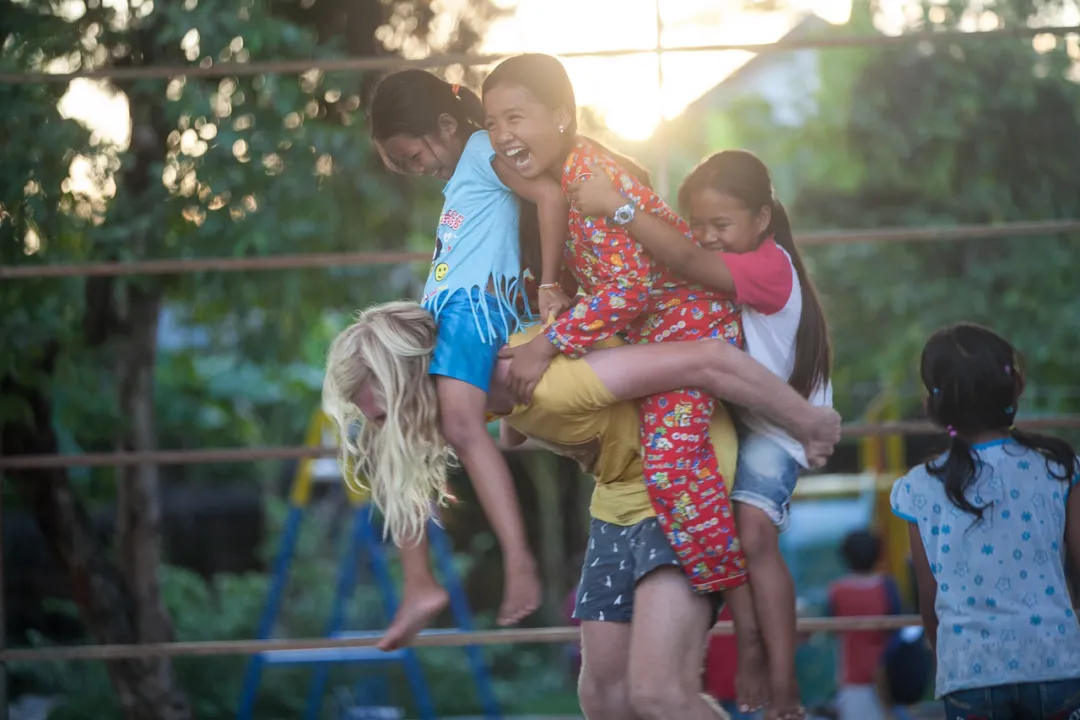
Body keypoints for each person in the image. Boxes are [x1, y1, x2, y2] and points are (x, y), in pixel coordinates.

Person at [322, 301, 843, 719]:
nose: (386, 433)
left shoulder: (555, 382)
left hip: (683, 480)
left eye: (385, 417)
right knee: (604, 698)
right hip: (619, 498)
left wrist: (807, 420)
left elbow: (710, 359)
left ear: (418, 389)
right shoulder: (493, 387)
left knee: (659, 693)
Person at [482, 55, 770, 707]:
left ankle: (749, 630)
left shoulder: (591, 178)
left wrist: (549, 342)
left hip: (688, 328)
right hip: (651, 340)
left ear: (562, 117)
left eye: (515, 117)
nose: (502, 134)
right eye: (492, 123)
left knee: (672, 471)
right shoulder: (562, 185)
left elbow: (634, 289)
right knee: (603, 693)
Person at [569, 150, 831, 720]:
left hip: (781, 425)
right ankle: (748, 643)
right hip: (744, 416)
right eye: (699, 223)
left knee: (754, 535)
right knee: (716, 519)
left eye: (722, 224)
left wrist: (616, 205)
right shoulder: (736, 256)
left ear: (762, 218)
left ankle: (782, 683)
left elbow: (682, 256)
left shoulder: (769, 265)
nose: (708, 237)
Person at [365, 69, 573, 640]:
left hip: (471, 305)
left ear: (446, 126)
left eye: (413, 156)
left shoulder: (482, 149)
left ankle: (519, 560)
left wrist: (549, 284)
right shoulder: (464, 173)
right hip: (442, 310)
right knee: (391, 427)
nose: (416, 169)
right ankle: (419, 584)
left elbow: (549, 194)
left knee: (459, 425)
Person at [890, 323, 1080, 719]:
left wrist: (949, 660)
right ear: (1015, 387)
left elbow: (929, 597)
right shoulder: (1058, 468)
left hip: (969, 672)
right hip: (1056, 663)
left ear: (934, 403)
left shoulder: (919, 487)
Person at [825, 530, 901, 720]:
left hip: (852, 676)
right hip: (889, 675)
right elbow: (897, 628)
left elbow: (833, 631)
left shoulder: (837, 591)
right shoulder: (886, 587)